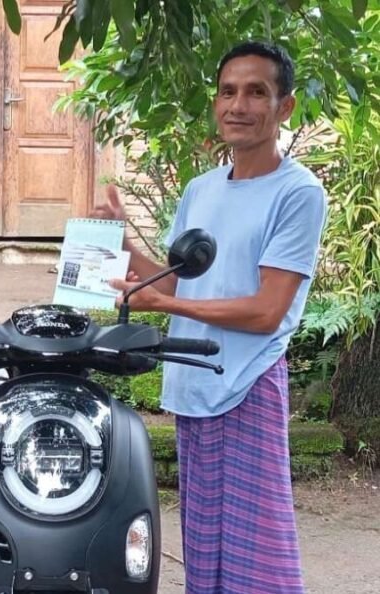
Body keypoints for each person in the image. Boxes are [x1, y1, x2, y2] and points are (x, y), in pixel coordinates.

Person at [92, 41, 326, 593]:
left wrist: (166, 307)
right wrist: (123, 245)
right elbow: (178, 281)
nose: (238, 105)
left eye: (256, 92)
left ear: (285, 107)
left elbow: (267, 311)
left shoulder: (298, 193)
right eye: (227, 92)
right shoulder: (201, 190)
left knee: (257, 559)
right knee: (205, 554)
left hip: (247, 384)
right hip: (192, 386)